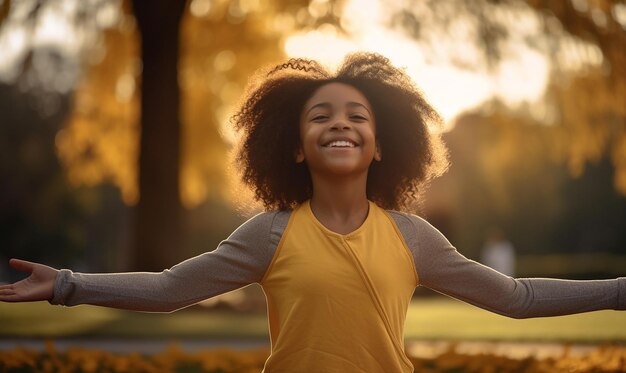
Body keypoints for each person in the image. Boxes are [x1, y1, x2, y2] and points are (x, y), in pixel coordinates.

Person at [1, 53, 624, 373]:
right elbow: (169, 289)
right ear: (295, 147)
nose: (341, 124)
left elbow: (515, 296)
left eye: (358, 116)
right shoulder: (269, 234)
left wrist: (619, 291)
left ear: (382, 145)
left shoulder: (414, 238)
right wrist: (66, 285)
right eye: (321, 116)